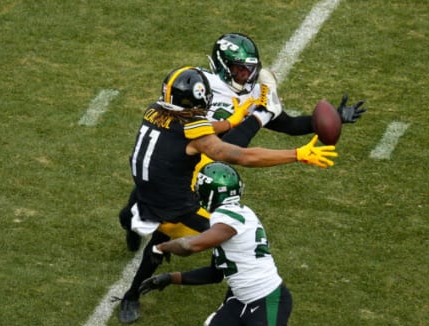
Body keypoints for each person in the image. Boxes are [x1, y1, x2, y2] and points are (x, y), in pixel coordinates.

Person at [115, 65, 337, 324]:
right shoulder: (192, 131)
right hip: (174, 204)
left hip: (145, 187)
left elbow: (200, 125)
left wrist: (232, 121)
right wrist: (296, 155)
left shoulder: (154, 109)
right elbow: (238, 155)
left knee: (138, 220)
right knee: (228, 244)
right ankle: (135, 295)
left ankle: (132, 229)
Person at [119, 32, 366, 252]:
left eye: (249, 69)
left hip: (200, 162)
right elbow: (230, 147)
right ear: (223, 66)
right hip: (181, 160)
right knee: (136, 212)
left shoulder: (254, 92)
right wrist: (260, 114)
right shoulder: (200, 87)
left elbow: (288, 125)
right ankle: (133, 229)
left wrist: (329, 119)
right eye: (239, 69)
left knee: (169, 223)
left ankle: (142, 270)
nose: (246, 75)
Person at [139, 162, 302, 326]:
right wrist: (170, 278)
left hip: (267, 301)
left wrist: (161, 247)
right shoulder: (232, 216)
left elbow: (191, 245)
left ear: (209, 193)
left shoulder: (227, 218)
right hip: (241, 301)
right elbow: (215, 273)